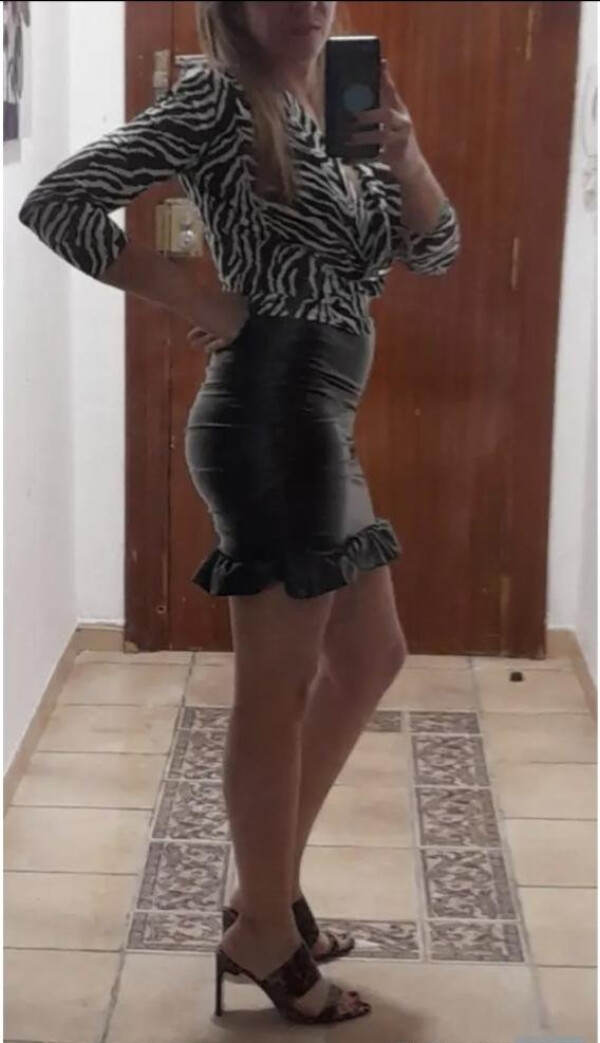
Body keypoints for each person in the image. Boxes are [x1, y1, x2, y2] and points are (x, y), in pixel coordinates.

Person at [19, 0, 459, 1026]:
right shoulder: (219, 100)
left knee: (372, 654)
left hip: (320, 420)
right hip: (271, 417)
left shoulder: (335, 103)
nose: (305, 7)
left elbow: (435, 252)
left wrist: (406, 153)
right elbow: (58, 202)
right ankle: (263, 926)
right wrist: (197, 297)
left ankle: (266, 893)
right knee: (279, 684)